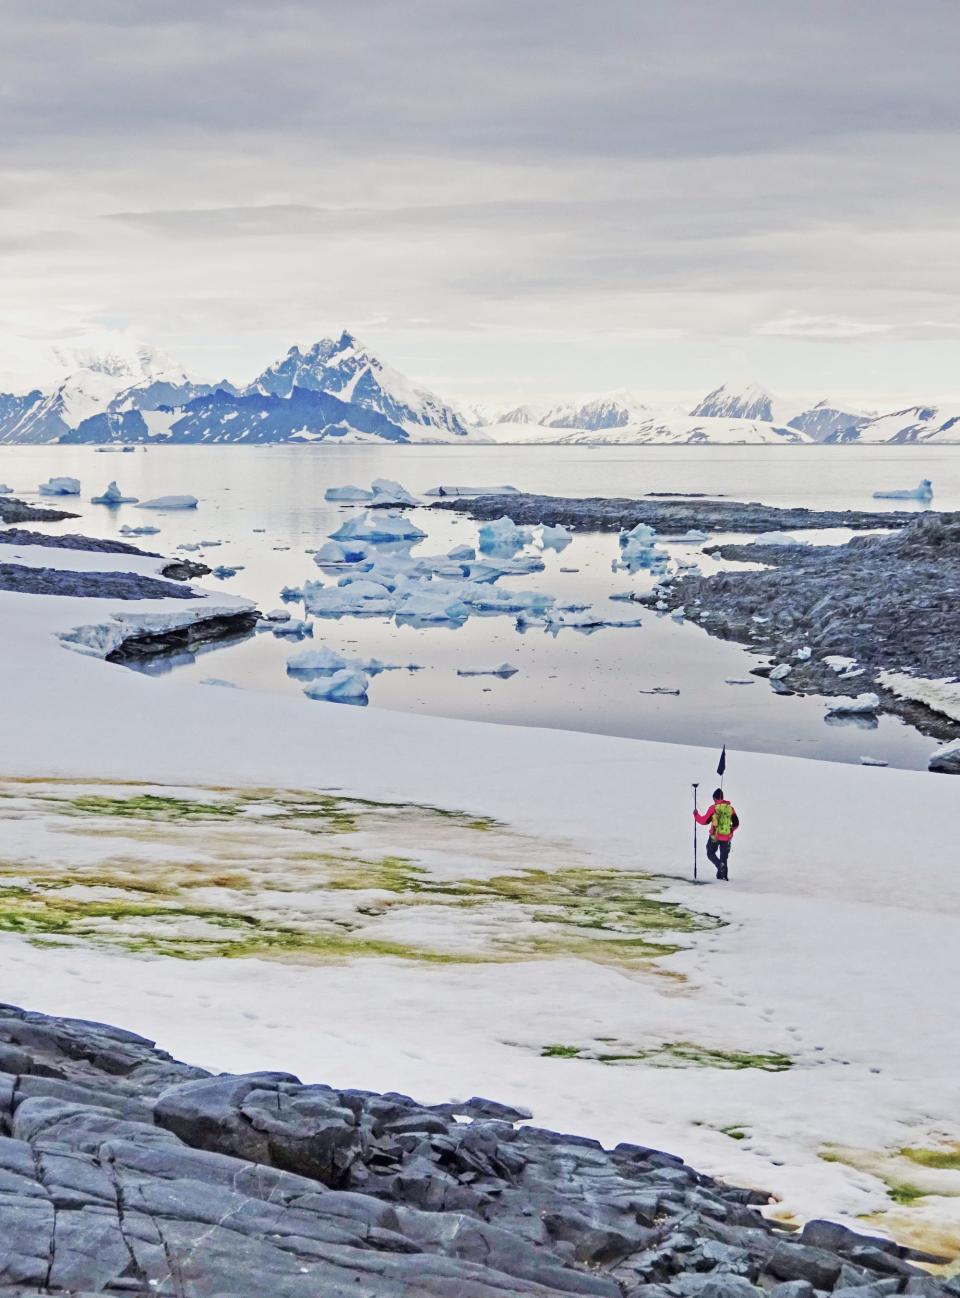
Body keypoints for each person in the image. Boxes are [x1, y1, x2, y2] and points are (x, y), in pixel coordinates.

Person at [693, 787, 739, 880]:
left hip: (715, 836)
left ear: (715, 798)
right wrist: (730, 831)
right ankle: (723, 877)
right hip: (726, 837)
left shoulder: (713, 808)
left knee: (710, 853)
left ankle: (719, 866)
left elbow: (704, 821)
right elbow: (736, 823)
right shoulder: (730, 809)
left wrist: (696, 815)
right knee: (724, 857)